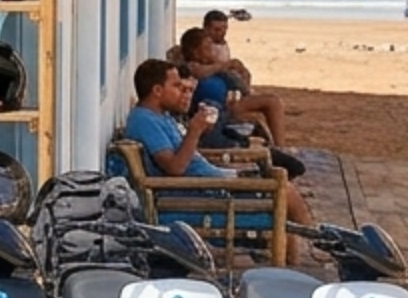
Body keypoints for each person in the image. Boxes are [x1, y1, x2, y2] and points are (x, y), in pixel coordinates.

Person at [125, 58, 314, 260]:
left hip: (209, 183)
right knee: (285, 192)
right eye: (176, 86)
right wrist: (195, 131)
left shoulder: (160, 116)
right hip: (199, 192)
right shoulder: (145, 120)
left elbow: (184, 158)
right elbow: (175, 167)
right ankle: (316, 245)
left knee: (284, 188)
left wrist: (198, 133)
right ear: (157, 90)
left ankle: (304, 253)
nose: (181, 91)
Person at [180, 17, 291, 148]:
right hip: (210, 110)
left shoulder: (214, 67)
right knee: (270, 104)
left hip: (228, 104)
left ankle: (280, 146)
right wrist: (225, 65)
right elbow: (199, 72)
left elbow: (243, 87)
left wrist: (242, 74)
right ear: (196, 53)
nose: (212, 52)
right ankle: (277, 147)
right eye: (207, 48)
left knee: (273, 101)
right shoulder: (190, 68)